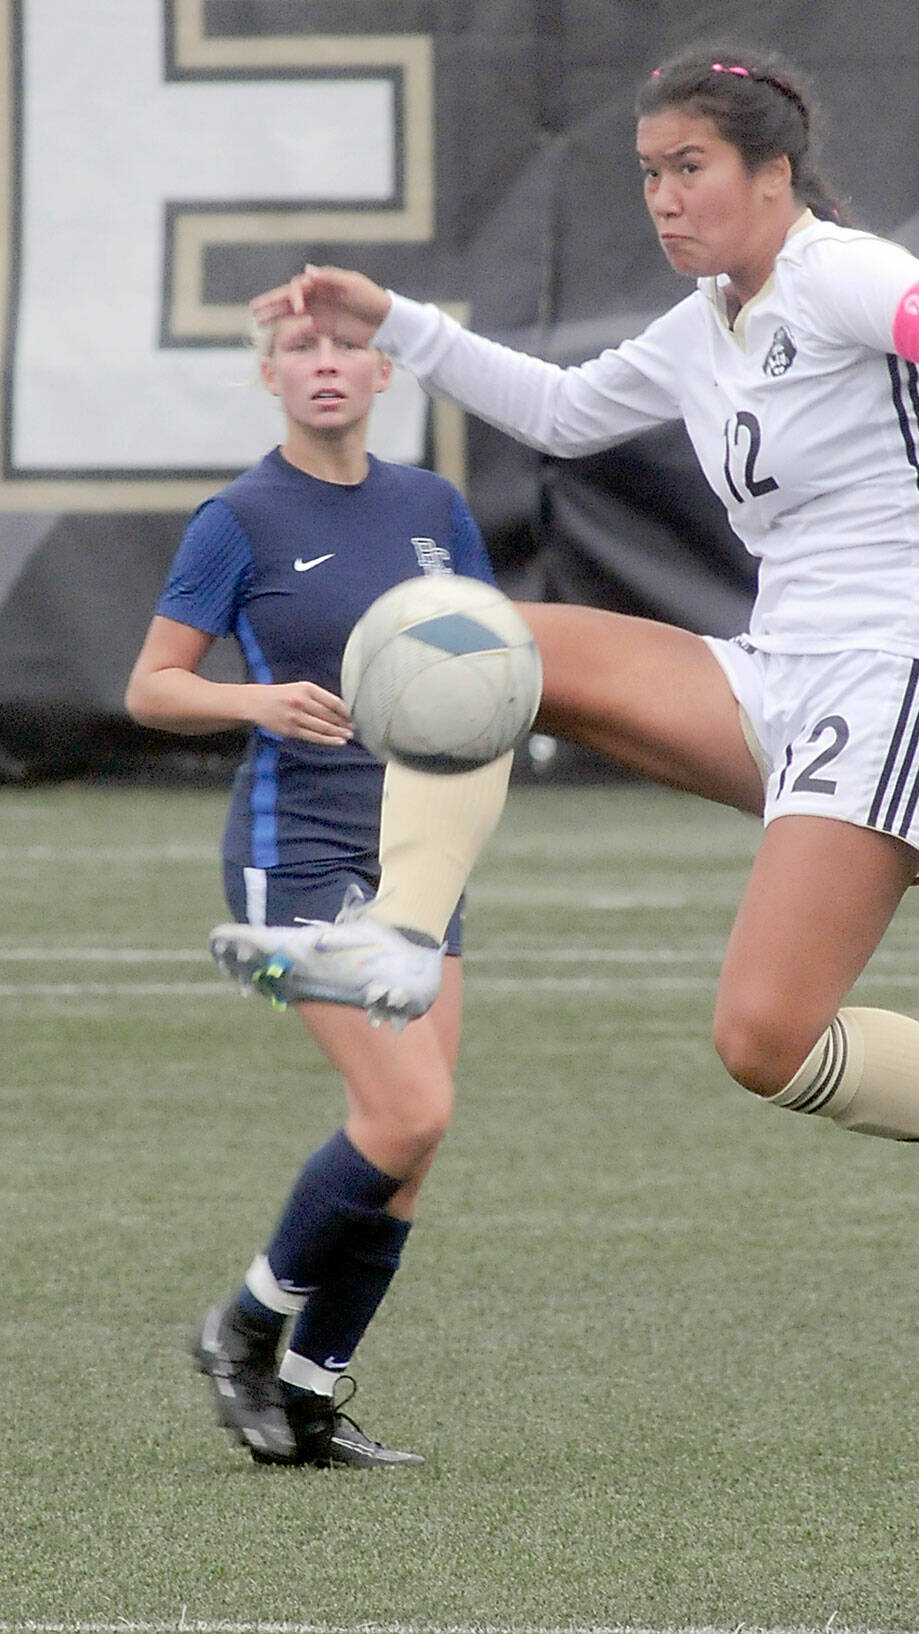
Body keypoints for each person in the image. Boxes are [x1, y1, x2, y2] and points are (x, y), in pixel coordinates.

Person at [226, 42, 919, 1310]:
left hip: (900, 684)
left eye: (687, 167)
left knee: (762, 1041)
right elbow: (555, 410)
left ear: (772, 174)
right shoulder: (709, 320)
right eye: (647, 171)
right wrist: (398, 325)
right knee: (480, 637)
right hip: (777, 675)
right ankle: (399, 940)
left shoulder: (841, 275)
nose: (660, 196)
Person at [126, 310, 509, 1466]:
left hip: (416, 853)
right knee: (407, 1110)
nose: (327, 363)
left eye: (347, 346)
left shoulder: (434, 508)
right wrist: (257, 700)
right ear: (270, 375)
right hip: (293, 850)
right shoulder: (237, 519)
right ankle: (241, 1325)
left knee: (413, 1141)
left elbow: (492, 644)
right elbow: (150, 687)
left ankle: (305, 1393)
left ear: (385, 369)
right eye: (302, 349)